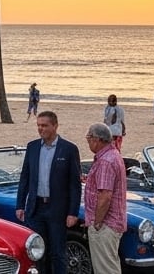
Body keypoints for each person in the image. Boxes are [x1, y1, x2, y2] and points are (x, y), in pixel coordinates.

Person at [15, 111, 82, 274]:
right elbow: (25, 177)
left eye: (44, 125)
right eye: (38, 125)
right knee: (37, 253)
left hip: (57, 209)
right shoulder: (32, 147)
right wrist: (20, 205)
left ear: (55, 126)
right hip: (35, 208)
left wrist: (73, 212)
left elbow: (75, 184)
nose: (40, 129)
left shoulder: (69, 149)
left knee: (57, 253)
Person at [83, 123, 127, 274]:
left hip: (106, 225)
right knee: (110, 266)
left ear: (97, 139)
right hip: (112, 223)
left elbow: (105, 196)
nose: (88, 141)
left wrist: (97, 222)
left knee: (105, 269)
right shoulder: (113, 155)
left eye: (88, 138)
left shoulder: (105, 161)